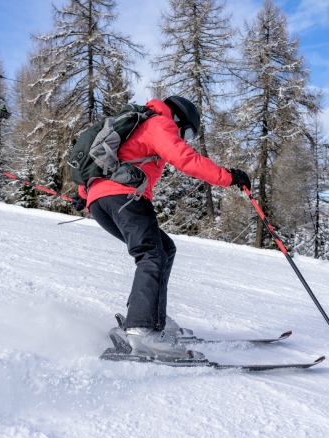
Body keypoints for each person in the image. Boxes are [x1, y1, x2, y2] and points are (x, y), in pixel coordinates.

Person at [71, 96, 251, 359]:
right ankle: (142, 329)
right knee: (151, 255)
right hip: (126, 197)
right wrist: (228, 176)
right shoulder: (159, 123)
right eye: (186, 133)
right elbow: (185, 158)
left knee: (164, 248)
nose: (184, 138)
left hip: (101, 201)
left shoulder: (136, 125)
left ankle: (152, 319)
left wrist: (83, 194)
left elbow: (102, 161)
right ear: (178, 118)